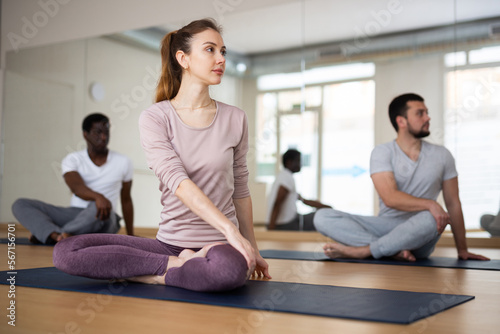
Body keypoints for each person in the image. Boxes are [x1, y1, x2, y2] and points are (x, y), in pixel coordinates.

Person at [53, 18, 271, 292]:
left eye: (223, 51)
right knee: (66, 251)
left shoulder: (235, 118)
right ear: (183, 58)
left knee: (229, 269)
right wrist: (231, 230)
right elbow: (178, 182)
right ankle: (169, 268)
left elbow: (240, 188)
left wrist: (249, 245)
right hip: (168, 244)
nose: (221, 59)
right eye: (210, 49)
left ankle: (154, 272)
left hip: (219, 246)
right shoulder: (155, 117)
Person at [314, 93, 489, 262]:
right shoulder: (382, 152)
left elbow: (453, 203)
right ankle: (391, 250)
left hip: (420, 233)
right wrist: (430, 204)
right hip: (385, 226)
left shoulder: (443, 155)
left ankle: (364, 251)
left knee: (432, 217)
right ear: (401, 121)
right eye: (420, 113)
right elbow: (390, 198)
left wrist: (462, 249)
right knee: (322, 217)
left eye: (427, 113)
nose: (427, 118)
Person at [12, 113, 134, 244]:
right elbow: (76, 188)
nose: (103, 137)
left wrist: (131, 235)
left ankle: (55, 234)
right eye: (97, 132)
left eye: (106, 132)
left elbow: (126, 200)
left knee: (99, 207)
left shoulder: (123, 161)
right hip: (74, 215)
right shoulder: (73, 159)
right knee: (20, 204)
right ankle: (62, 234)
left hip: (105, 216)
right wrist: (99, 197)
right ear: (85, 134)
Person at [267, 149, 330, 230]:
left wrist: (325, 207)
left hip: (285, 223)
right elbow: (278, 202)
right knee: (320, 217)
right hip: (285, 225)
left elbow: (303, 200)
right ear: (289, 162)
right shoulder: (286, 177)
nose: (301, 164)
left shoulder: (284, 176)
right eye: (298, 161)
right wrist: (271, 228)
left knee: (320, 214)